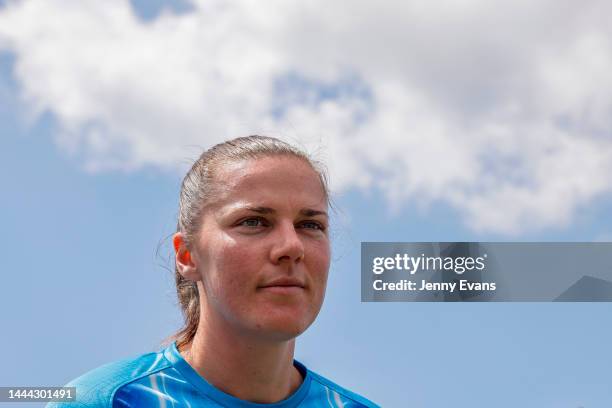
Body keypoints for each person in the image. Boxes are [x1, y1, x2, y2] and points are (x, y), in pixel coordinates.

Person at [48, 136, 378, 407]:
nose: (292, 246)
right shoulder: (105, 402)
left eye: (310, 224)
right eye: (254, 221)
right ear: (188, 255)